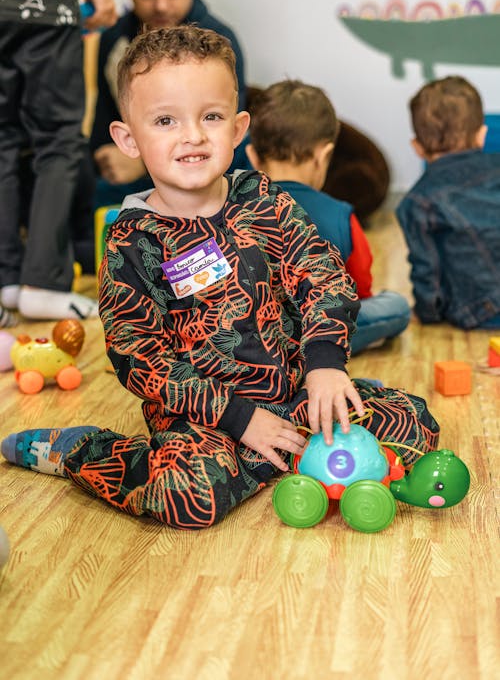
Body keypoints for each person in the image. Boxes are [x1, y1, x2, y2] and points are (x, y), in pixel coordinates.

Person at [1, 26, 440, 529]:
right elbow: (138, 356)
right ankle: (82, 449)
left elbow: (322, 271)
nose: (192, 135)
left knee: (414, 424)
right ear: (127, 139)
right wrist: (241, 419)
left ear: (238, 128)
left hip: (293, 394)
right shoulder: (132, 241)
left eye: (211, 116)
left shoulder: (263, 198)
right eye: (165, 120)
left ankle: (284, 454)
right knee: (189, 498)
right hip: (208, 422)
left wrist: (325, 365)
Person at [0, 0, 117, 320]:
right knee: (59, 140)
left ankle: (9, 277)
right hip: (44, 1)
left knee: (3, 139)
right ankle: (44, 283)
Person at [245, 80, 411, 354]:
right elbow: (359, 290)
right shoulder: (340, 215)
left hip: (252, 342)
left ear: (252, 155)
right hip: (316, 337)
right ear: (324, 156)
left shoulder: (233, 207)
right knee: (396, 306)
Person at [90, 0, 248, 210]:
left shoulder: (221, 41)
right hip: (127, 178)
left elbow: (227, 142)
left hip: (203, 175)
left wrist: (142, 162)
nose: (161, 5)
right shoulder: (115, 41)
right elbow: (103, 132)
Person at [397, 75, 500, 329]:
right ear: (482, 135)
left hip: (481, 311)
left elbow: (427, 271)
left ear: (417, 147)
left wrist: (427, 312)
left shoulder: (416, 202)